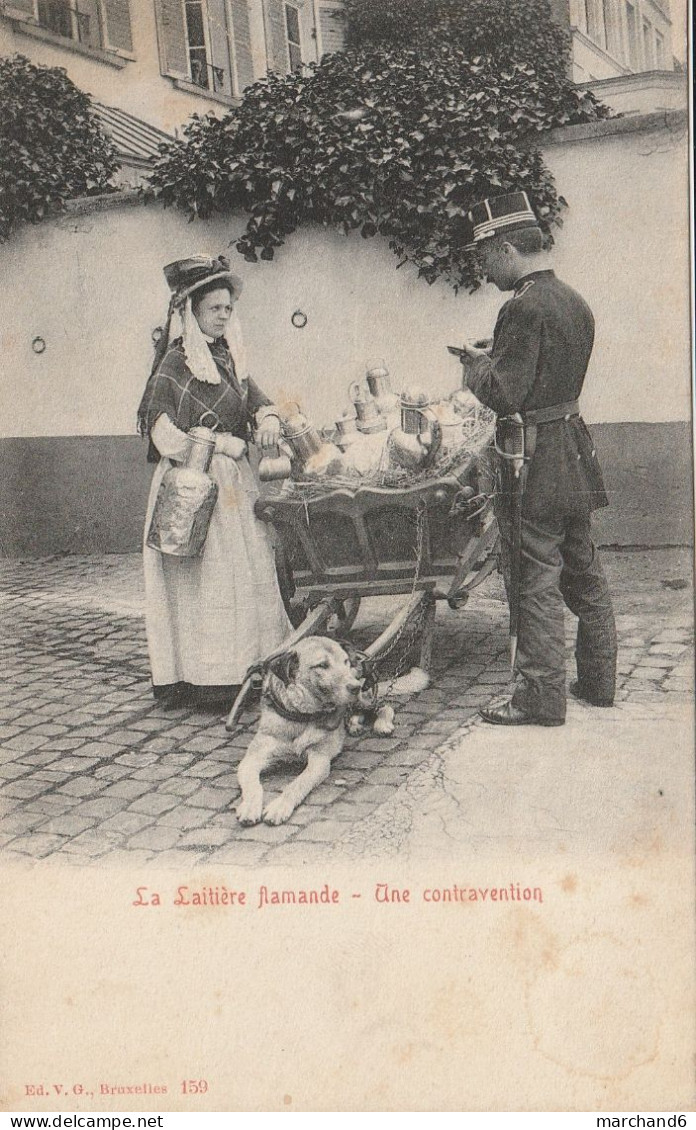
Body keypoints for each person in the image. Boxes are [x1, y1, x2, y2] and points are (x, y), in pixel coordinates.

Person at [459, 192, 617, 726]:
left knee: (534, 578)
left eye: (484, 256)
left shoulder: (520, 306)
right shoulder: (573, 299)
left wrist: (476, 365)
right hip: (573, 445)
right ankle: (598, 682)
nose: (482, 269)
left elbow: (506, 393)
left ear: (505, 249)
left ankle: (540, 698)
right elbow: (549, 372)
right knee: (585, 571)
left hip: (536, 458)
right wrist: (500, 353)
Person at [137, 255, 291, 710]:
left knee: (242, 575)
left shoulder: (228, 356)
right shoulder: (175, 363)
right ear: (192, 312)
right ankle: (202, 678)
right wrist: (222, 443)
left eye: (228, 308)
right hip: (191, 483)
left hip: (232, 488)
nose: (224, 315)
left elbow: (258, 401)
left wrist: (268, 419)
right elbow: (161, 431)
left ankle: (242, 667)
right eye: (215, 309)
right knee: (201, 582)